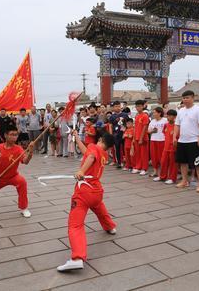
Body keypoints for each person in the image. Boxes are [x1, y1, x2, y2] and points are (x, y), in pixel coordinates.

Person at [57, 132, 117, 272]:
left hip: (84, 191)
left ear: (100, 139)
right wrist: (77, 137)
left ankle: (77, 258)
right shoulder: (104, 154)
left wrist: (81, 171)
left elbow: (89, 156)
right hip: (97, 191)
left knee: (75, 225)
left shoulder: (94, 148)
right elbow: (86, 153)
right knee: (98, 207)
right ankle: (110, 226)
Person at [174, 90, 199, 192]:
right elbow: (177, 125)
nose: (185, 100)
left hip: (194, 141)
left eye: (187, 98)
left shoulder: (198, 110)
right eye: (184, 98)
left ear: (193, 98)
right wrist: (174, 137)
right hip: (182, 141)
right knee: (183, 163)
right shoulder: (181, 111)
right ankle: (184, 181)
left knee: (198, 163)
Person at [131, 100, 150, 176]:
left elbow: (145, 127)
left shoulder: (145, 116)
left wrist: (141, 138)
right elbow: (135, 128)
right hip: (136, 137)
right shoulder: (137, 116)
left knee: (144, 154)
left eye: (140, 106)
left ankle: (144, 168)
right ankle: (138, 167)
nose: (138, 108)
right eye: (137, 106)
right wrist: (134, 138)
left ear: (143, 106)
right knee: (138, 153)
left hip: (143, 138)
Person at [160, 109, 178, 184]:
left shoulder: (177, 126)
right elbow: (164, 133)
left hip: (173, 148)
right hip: (166, 147)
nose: (168, 117)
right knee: (163, 162)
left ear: (175, 117)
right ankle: (162, 176)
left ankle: (172, 178)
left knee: (173, 164)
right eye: (167, 115)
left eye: (170, 116)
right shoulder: (166, 125)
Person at [148, 107, 167, 181]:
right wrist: (152, 131)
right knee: (154, 156)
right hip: (153, 140)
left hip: (162, 140)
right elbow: (148, 131)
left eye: (155, 112)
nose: (153, 114)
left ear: (159, 113)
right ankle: (155, 171)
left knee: (161, 157)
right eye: (153, 112)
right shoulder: (152, 121)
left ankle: (162, 172)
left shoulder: (165, 120)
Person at [109, 101, 129, 169]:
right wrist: (111, 135)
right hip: (116, 135)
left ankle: (127, 162)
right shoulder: (112, 116)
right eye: (116, 106)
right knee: (117, 149)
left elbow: (128, 124)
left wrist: (126, 130)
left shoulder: (125, 115)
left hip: (124, 134)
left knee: (125, 149)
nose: (118, 108)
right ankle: (119, 163)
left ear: (121, 106)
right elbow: (110, 126)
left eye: (119, 106)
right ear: (113, 107)